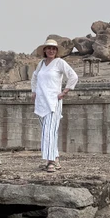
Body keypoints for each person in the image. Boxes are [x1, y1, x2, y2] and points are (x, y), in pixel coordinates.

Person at [30, 39, 77, 172]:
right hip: (41, 102)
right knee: (48, 132)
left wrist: (65, 92)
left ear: (56, 51)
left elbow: (73, 76)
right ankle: (55, 159)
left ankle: (50, 161)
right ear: (44, 50)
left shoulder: (59, 62)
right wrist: (34, 91)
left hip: (53, 102)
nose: (51, 51)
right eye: (49, 48)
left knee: (49, 132)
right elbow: (34, 77)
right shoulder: (41, 64)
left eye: (54, 49)